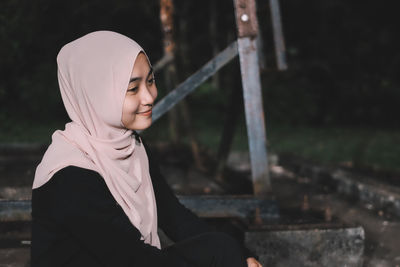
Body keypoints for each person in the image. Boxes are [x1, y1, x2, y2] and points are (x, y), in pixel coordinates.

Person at [31, 31, 263, 267]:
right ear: (96, 95)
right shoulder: (70, 174)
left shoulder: (133, 148)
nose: (149, 96)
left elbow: (174, 217)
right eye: (133, 89)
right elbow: (133, 259)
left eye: (150, 81)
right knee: (219, 250)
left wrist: (241, 254)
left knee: (222, 248)